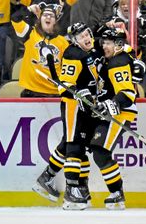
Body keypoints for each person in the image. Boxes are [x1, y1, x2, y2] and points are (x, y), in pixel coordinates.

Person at [93, 28, 138, 210]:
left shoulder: (118, 63)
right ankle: (116, 193)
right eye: (104, 42)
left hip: (120, 112)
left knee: (101, 153)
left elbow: (127, 93)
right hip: (110, 111)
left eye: (108, 43)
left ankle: (117, 194)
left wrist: (109, 104)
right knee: (96, 150)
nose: (104, 46)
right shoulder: (114, 58)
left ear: (118, 45)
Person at [57, 22, 99, 210]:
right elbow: (64, 85)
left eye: (87, 33)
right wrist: (77, 92)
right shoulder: (73, 54)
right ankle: (70, 192)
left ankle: (81, 189)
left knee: (81, 149)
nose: (86, 37)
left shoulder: (88, 52)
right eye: (81, 36)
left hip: (87, 108)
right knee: (73, 146)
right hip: (74, 106)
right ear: (74, 41)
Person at [13, 4, 69, 97]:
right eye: (45, 15)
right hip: (32, 91)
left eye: (51, 15)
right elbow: (15, 18)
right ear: (40, 19)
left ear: (55, 21)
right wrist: (29, 9)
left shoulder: (63, 42)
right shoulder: (30, 34)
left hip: (55, 93)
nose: (48, 17)